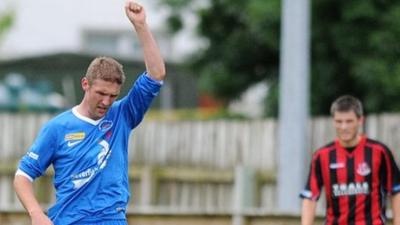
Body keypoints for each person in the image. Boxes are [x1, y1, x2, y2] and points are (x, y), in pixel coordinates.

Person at [13, 1, 166, 225]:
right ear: (85, 84)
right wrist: (36, 213)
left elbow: (156, 75)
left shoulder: (122, 115)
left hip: (112, 219)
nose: (106, 101)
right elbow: (22, 177)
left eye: (112, 95)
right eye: (101, 93)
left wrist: (141, 26)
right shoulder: (58, 128)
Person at [300, 95, 400, 225]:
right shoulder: (322, 156)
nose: (343, 127)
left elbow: (396, 191)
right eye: (339, 121)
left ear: (360, 120)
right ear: (333, 121)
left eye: (349, 121)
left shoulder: (379, 152)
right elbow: (309, 197)